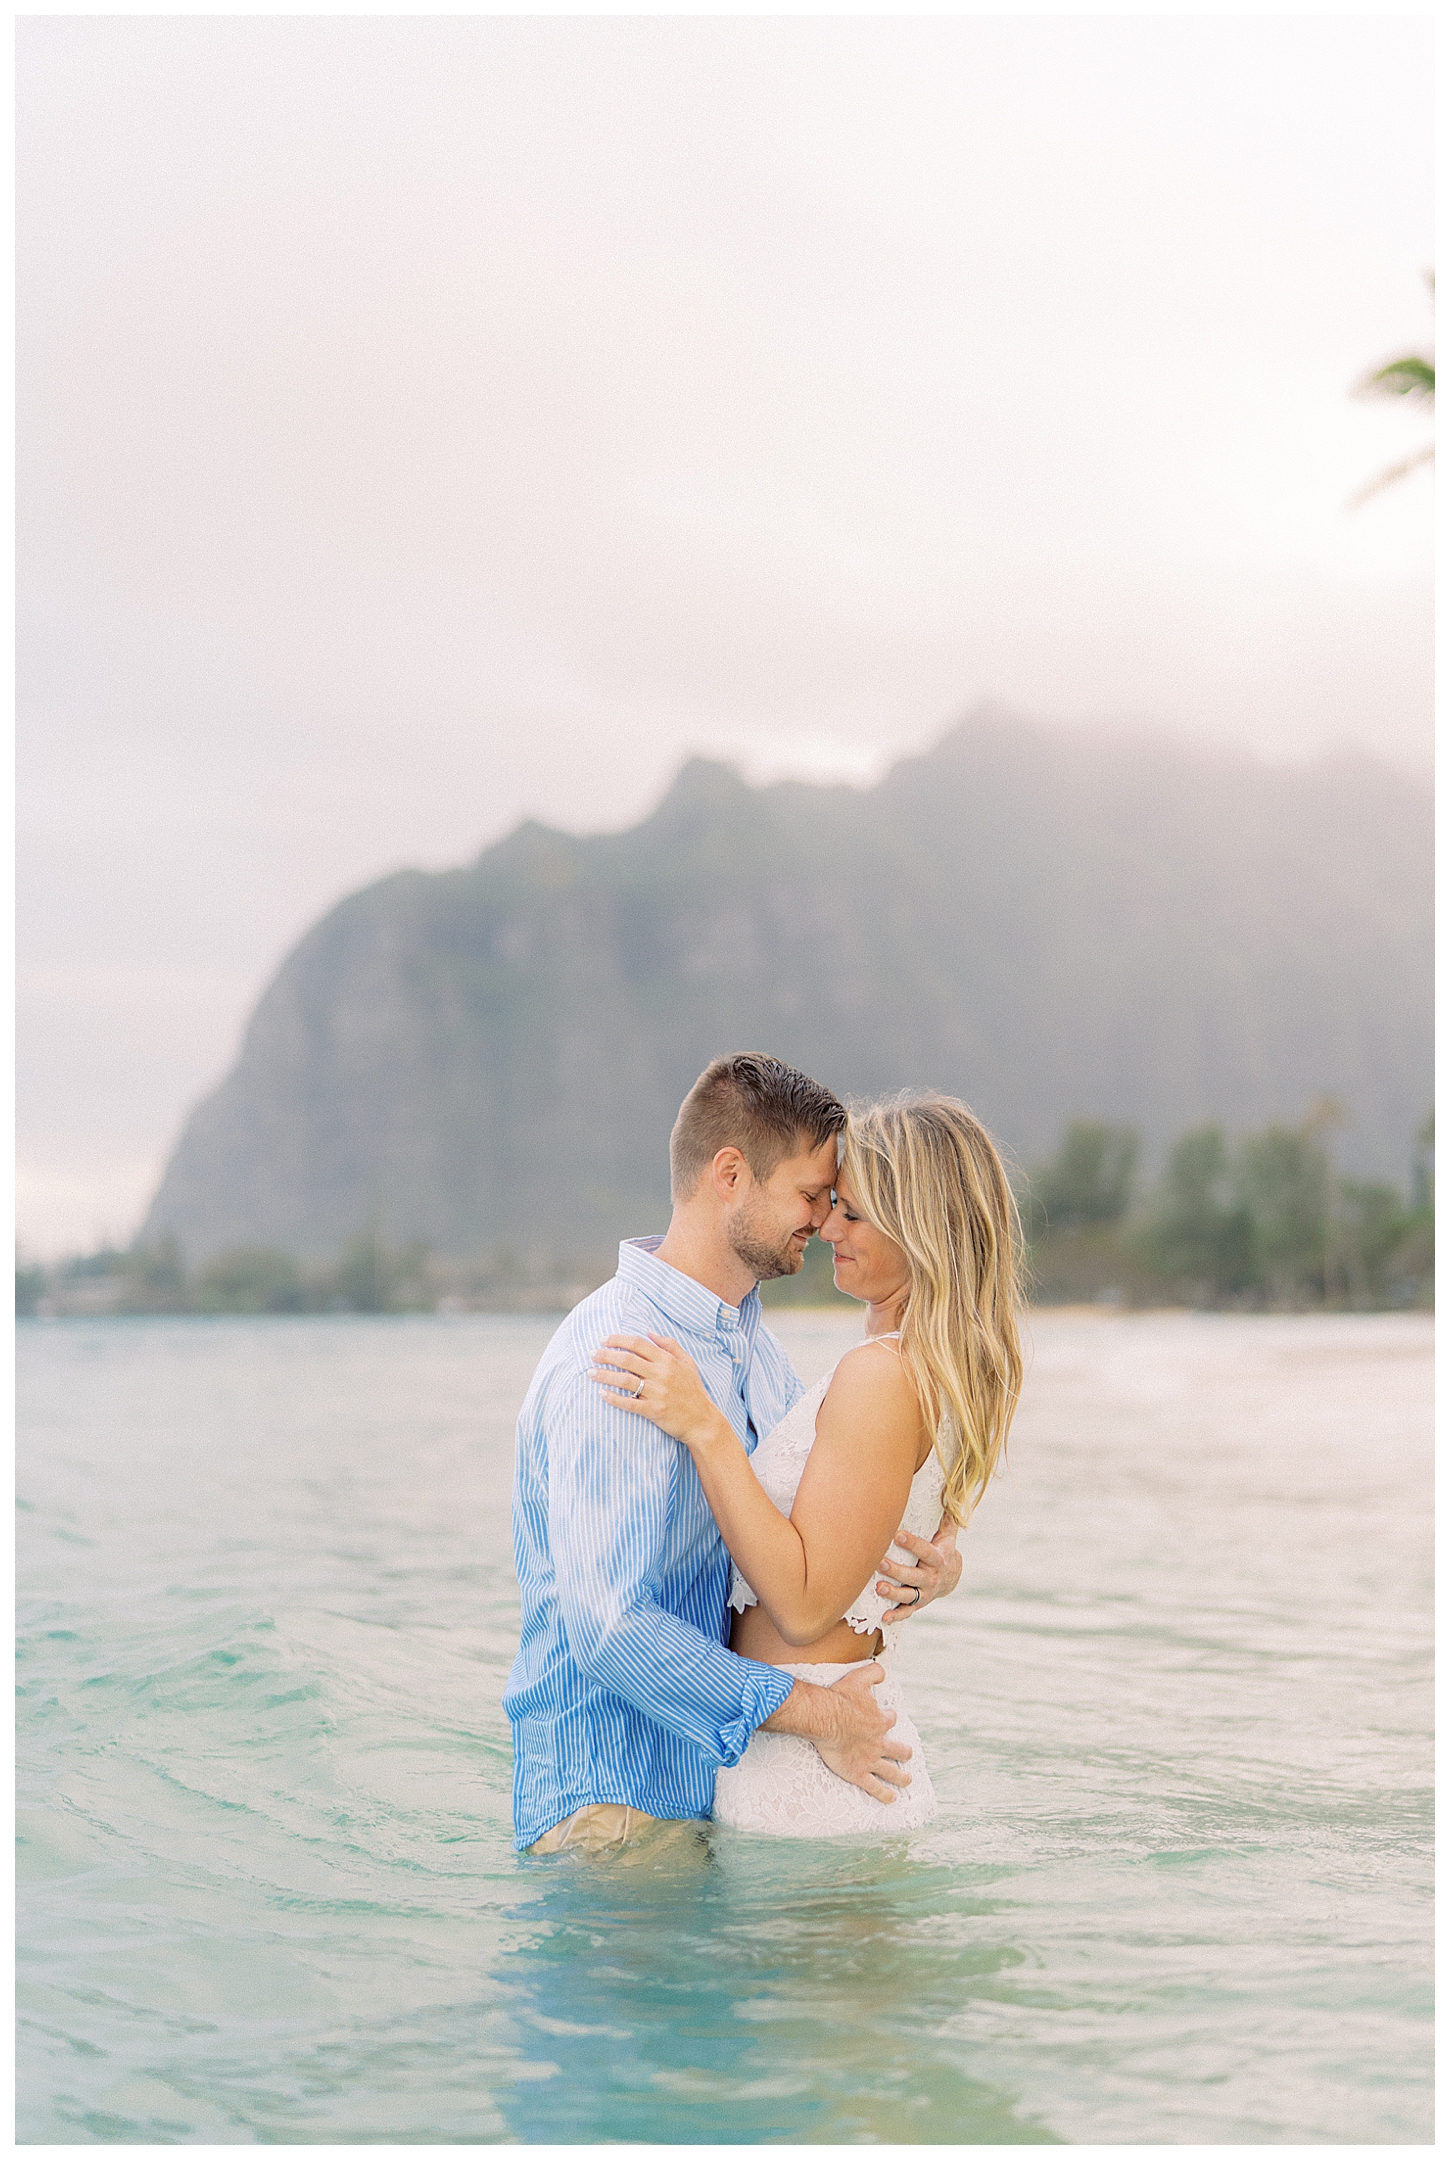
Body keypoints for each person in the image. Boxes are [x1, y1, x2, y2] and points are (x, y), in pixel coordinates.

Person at [503, 1055, 963, 1858]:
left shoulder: (747, 1344)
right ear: (730, 1176)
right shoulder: (617, 1359)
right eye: (810, 1195)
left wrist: (939, 1552)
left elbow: (814, 1514)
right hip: (617, 1811)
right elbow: (610, 1630)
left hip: (707, 1802)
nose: (823, 1223)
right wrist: (818, 1712)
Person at [592, 1090, 1024, 1837]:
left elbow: (800, 1607)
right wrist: (946, 1564)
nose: (826, 1226)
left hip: (814, 1763)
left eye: (852, 1213)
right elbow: (908, 1526)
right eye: (828, 1203)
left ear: (920, 1231)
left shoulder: (882, 1376)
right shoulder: (936, 1370)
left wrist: (705, 1426)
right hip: (823, 1744)